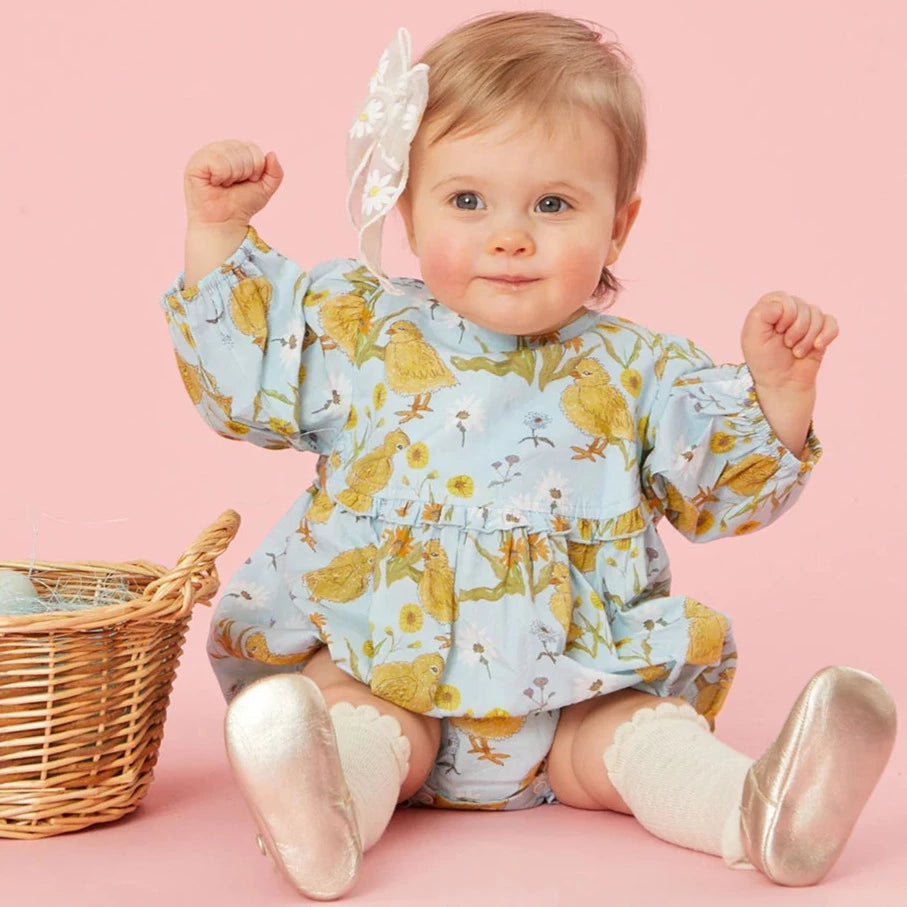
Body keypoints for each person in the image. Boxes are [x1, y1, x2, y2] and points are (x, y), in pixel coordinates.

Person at [159, 12, 896, 900]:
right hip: (381, 657)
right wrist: (218, 230)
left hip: (572, 684)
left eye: (552, 204)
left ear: (617, 227)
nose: (509, 235)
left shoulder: (641, 370)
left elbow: (719, 492)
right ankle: (325, 811)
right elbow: (243, 377)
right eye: (467, 201)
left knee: (635, 731)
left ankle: (754, 811)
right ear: (406, 208)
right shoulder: (362, 333)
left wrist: (778, 396)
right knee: (347, 708)